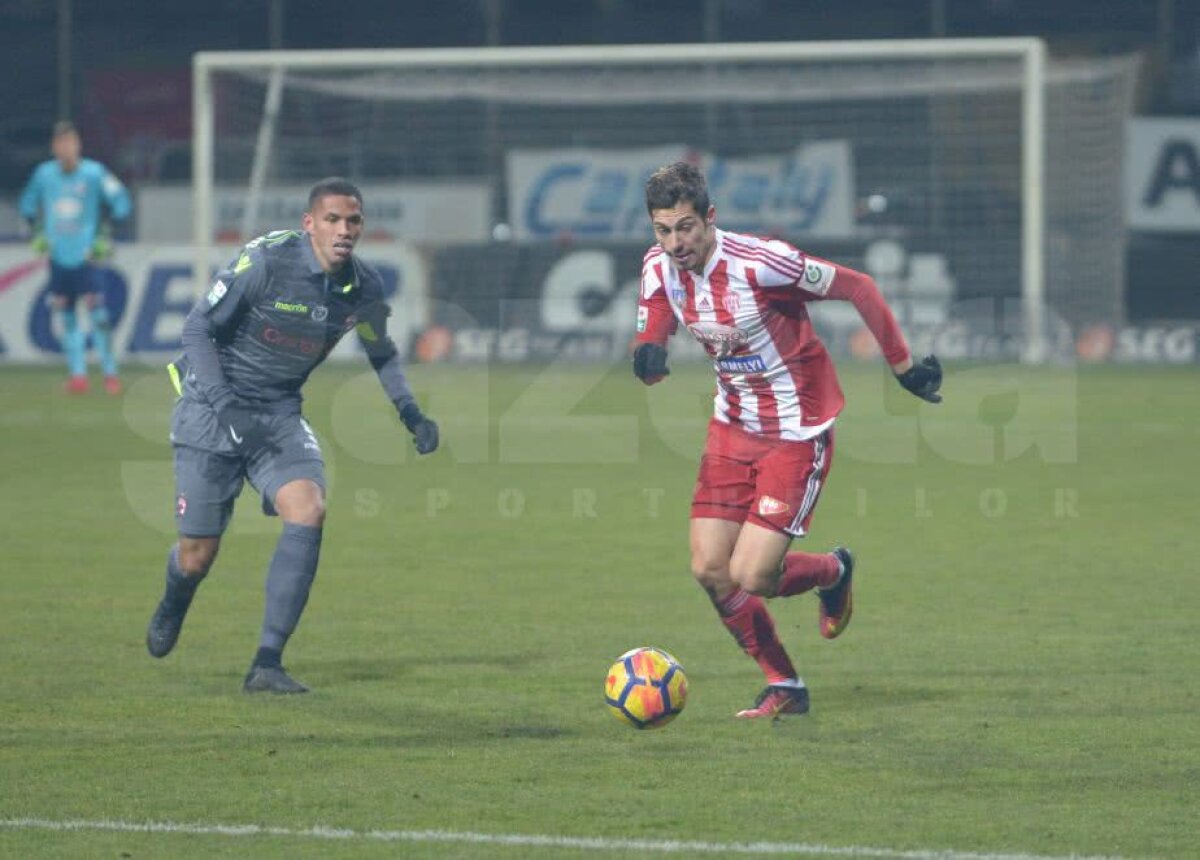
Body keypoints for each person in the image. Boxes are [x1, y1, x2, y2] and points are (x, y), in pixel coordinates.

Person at [633, 162, 943, 720]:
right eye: (662, 230)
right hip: (731, 428)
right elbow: (656, 311)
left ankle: (833, 570)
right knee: (709, 569)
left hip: (797, 434)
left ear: (710, 219)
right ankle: (785, 684)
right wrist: (649, 349)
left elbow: (859, 287)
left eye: (685, 227)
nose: (674, 243)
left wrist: (903, 367)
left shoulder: (762, 263)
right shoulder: (658, 265)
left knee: (754, 576)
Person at [145, 177, 440, 694]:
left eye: (353, 221)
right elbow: (197, 331)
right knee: (198, 554)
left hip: (278, 415)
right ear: (309, 224)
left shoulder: (362, 287)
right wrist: (226, 407)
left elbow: (381, 351)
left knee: (309, 508)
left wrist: (411, 412)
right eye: (332, 220)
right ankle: (177, 595)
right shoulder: (266, 262)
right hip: (210, 410)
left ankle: (267, 663)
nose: (343, 230)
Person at [19, 120, 132, 395]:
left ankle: (110, 375)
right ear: (54, 147)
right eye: (60, 143)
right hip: (59, 258)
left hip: (87, 257)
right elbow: (27, 205)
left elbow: (121, 202)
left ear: (78, 144)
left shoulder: (94, 173)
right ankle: (78, 376)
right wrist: (37, 234)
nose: (65, 148)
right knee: (67, 317)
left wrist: (104, 235)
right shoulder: (44, 175)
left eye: (70, 142)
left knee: (99, 317)